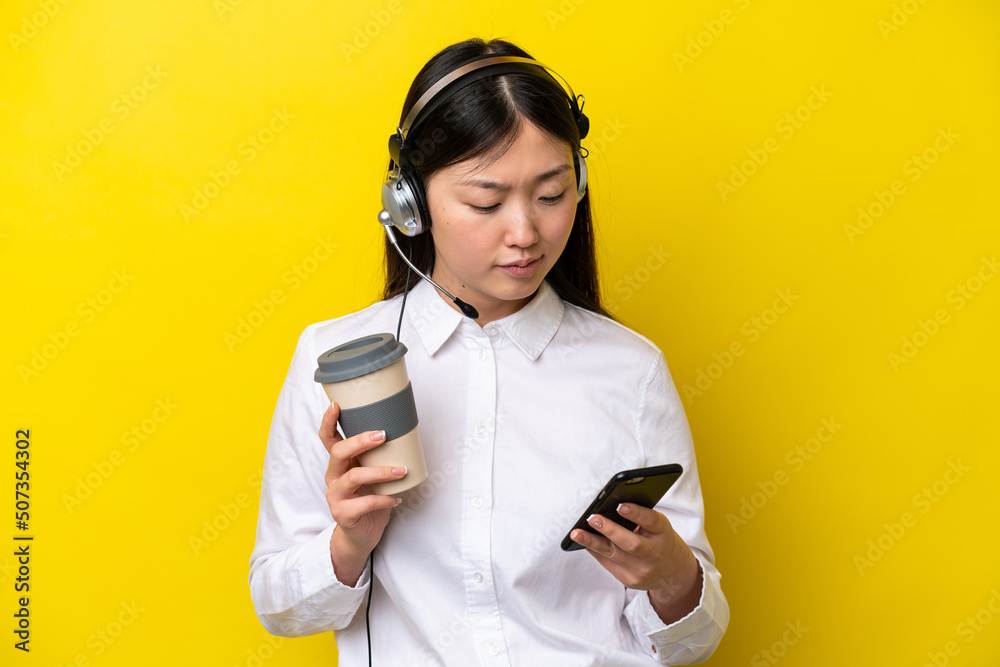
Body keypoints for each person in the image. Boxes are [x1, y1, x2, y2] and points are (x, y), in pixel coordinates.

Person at [248, 37, 729, 665]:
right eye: (486, 201)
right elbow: (277, 607)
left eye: (552, 195)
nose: (525, 233)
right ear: (410, 205)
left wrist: (671, 578)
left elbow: (695, 641)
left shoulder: (631, 371)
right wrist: (348, 543)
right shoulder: (335, 359)